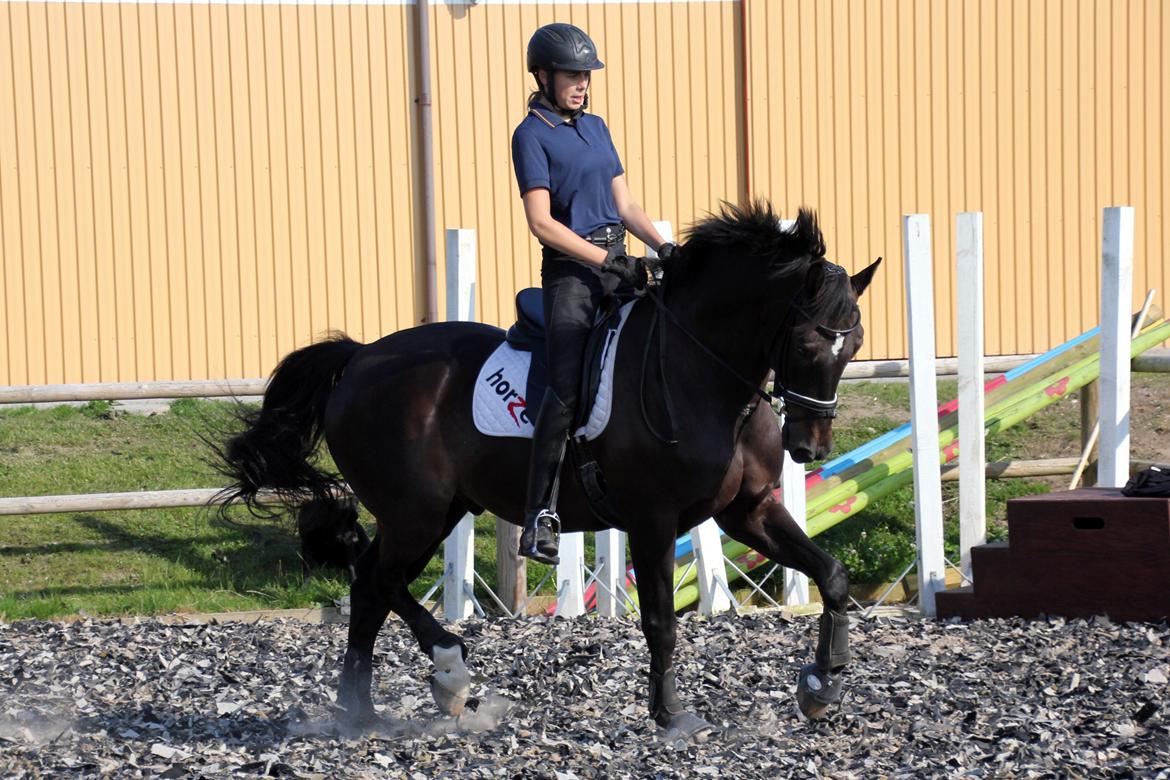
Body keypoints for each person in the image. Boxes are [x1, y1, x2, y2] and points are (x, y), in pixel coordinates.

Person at [511, 22, 679, 565]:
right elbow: (541, 223)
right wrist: (605, 259)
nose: (581, 84)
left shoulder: (597, 126)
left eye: (586, 75)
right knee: (565, 386)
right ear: (543, 75)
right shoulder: (530, 134)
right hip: (571, 274)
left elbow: (625, 205)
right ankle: (540, 515)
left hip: (619, 263)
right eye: (571, 75)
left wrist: (664, 246)